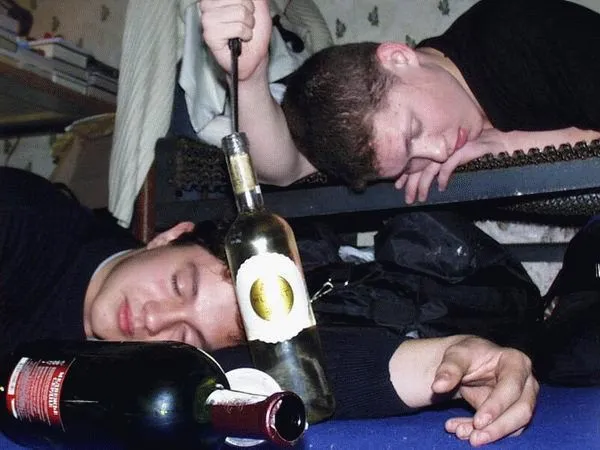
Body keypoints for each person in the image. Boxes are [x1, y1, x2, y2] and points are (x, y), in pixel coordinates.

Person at [0, 167, 538, 446]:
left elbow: (289, 375)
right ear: (168, 237)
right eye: (180, 286)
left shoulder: (139, 365)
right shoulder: (25, 223)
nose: (153, 320)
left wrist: (452, 358)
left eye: (184, 338)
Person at [199, 0, 600, 204]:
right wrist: (248, 79)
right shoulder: (380, 130)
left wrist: (514, 147)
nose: (439, 152)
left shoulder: (523, 36)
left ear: (399, 58)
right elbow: (282, 170)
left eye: (414, 132)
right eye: (409, 163)